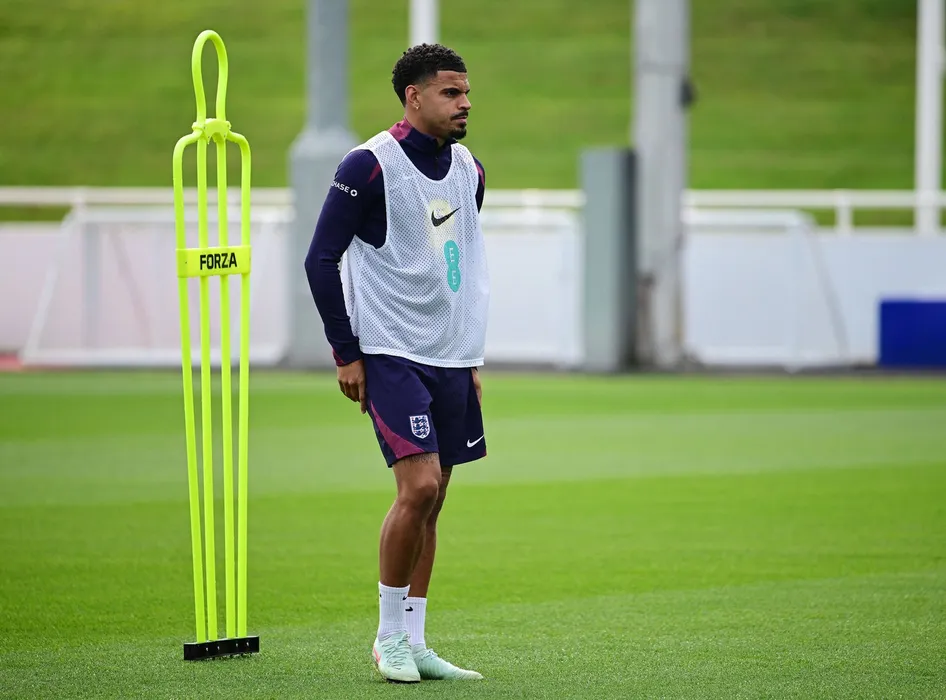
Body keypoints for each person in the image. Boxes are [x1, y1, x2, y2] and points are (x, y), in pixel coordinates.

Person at [304, 43, 489, 683]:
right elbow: (319, 259)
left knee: (435, 502)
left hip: (451, 357)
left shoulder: (470, 170)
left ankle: (417, 640)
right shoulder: (368, 165)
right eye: (450, 92)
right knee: (420, 488)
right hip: (389, 352)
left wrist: (470, 358)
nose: (464, 103)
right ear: (414, 97)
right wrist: (346, 352)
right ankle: (388, 639)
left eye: (466, 92)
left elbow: (457, 265)